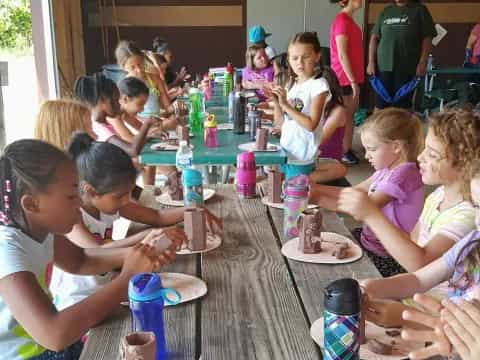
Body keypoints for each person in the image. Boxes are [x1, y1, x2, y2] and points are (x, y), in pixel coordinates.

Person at [0, 139, 179, 359]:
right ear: (31, 204)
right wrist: (127, 278)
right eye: (70, 196)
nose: (79, 203)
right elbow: (54, 334)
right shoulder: (7, 252)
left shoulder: (37, 228)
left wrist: (142, 253)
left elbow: (80, 259)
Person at [50, 133, 222, 310]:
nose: (126, 201)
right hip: (79, 303)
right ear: (91, 191)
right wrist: (145, 237)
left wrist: (192, 210)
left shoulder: (113, 202)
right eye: (120, 196)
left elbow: (156, 216)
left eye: (129, 192)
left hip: (109, 289)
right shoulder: (71, 218)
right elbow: (95, 251)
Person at [361, 161, 480, 358]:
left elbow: (470, 338)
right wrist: (374, 287)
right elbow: (419, 279)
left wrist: (405, 318)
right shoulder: (471, 242)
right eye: (477, 206)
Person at [338, 108, 480, 273]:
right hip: (410, 278)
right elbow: (413, 239)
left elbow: (420, 263)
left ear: (465, 166)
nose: (420, 157)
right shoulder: (437, 196)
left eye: (432, 155)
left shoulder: (468, 216)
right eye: (425, 149)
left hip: (420, 286)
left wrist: (371, 215)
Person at [311, 108, 424, 276]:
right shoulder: (386, 170)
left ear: (396, 147)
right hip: (369, 241)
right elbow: (353, 192)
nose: (366, 156)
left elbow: (362, 208)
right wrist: (313, 187)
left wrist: (315, 196)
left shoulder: (404, 174)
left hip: (386, 257)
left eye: (371, 149)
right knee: (320, 242)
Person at [268, 32, 347, 183]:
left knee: (296, 198)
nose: (299, 63)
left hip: (302, 155)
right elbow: (286, 121)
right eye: (294, 58)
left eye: (306, 57)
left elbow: (311, 124)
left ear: (317, 56)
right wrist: (277, 101)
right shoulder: (293, 84)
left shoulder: (319, 85)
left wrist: (286, 105)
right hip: (286, 151)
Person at [367, 0, 436, 110]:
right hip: (383, 66)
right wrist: (370, 62)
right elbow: (374, 38)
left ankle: (402, 127)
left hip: (407, 66)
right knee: (380, 105)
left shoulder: (420, 10)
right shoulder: (386, 11)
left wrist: (423, 62)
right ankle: (379, 127)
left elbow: (427, 39)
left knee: (402, 107)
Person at [115, 40, 179, 130]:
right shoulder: (122, 88)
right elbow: (128, 118)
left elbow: (167, 107)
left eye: (140, 64)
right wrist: (157, 123)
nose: (138, 70)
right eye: (132, 67)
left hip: (157, 121)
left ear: (143, 60)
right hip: (138, 127)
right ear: (123, 67)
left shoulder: (155, 79)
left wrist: (175, 111)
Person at [329, 0, 364, 165]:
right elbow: (342, 55)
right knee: (346, 116)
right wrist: (353, 81)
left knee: (349, 115)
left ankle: (345, 149)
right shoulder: (342, 21)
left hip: (350, 77)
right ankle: (343, 151)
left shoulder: (348, 20)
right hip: (343, 78)